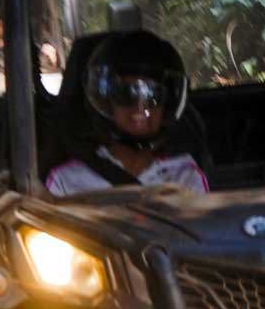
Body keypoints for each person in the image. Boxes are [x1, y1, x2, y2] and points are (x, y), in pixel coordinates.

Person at [45, 31, 208, 196]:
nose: (139, 107)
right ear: (106, 101)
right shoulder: (65, 180)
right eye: (125, 94)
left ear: (167, 104)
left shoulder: (185, 176)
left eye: (154, 96)